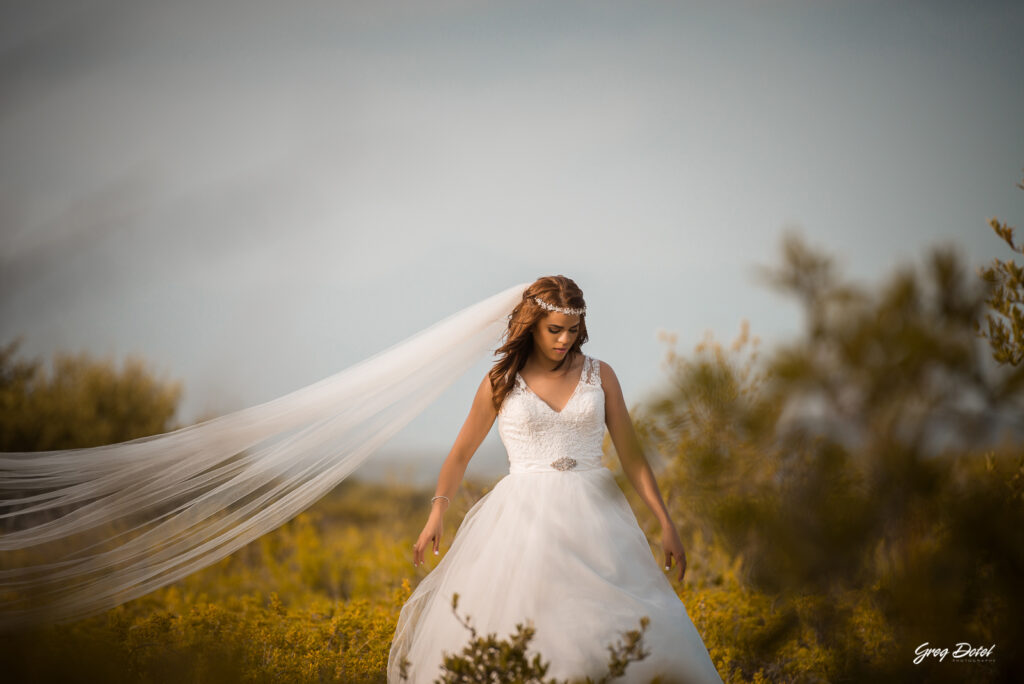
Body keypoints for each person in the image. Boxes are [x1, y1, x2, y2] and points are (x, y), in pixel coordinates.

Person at [387, 275, 723, 683]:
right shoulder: (500, 381)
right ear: (531, 325)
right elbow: (459, 456)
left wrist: (666, 522)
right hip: (522, 519)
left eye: (573, 330)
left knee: (615, 626)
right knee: (529, 625)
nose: (565, 339)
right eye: (554, 330)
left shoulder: (601, 375)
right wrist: (437, 512)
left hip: (597, 516)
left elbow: (632, 458)